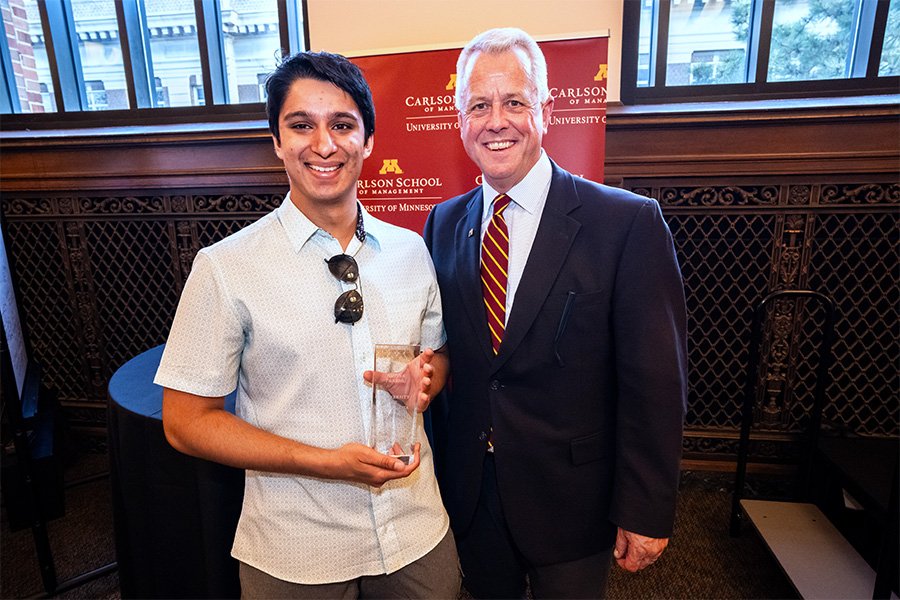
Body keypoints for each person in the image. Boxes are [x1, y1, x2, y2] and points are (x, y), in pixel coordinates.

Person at [155, 50, 460, 599]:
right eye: (301, 125)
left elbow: (437, 360)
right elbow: (184, 421)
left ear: (368, 141)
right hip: (296, 546)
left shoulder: (412, 250)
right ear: (276, 141)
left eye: (342, 125)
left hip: (415, 526)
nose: (323, 145)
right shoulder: (226, 266)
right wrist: (325, 463)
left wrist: (425, 381)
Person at [423, 28, 688, 599]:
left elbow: (655, 382)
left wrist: (646, 506)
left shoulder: (626, 225)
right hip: (472, 494)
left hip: (573, 501)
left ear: (546, 110)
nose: (497, 121)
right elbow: (456, 351)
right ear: (460, 119)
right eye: (479, 105)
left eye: (514, 102)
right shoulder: (443, 223)